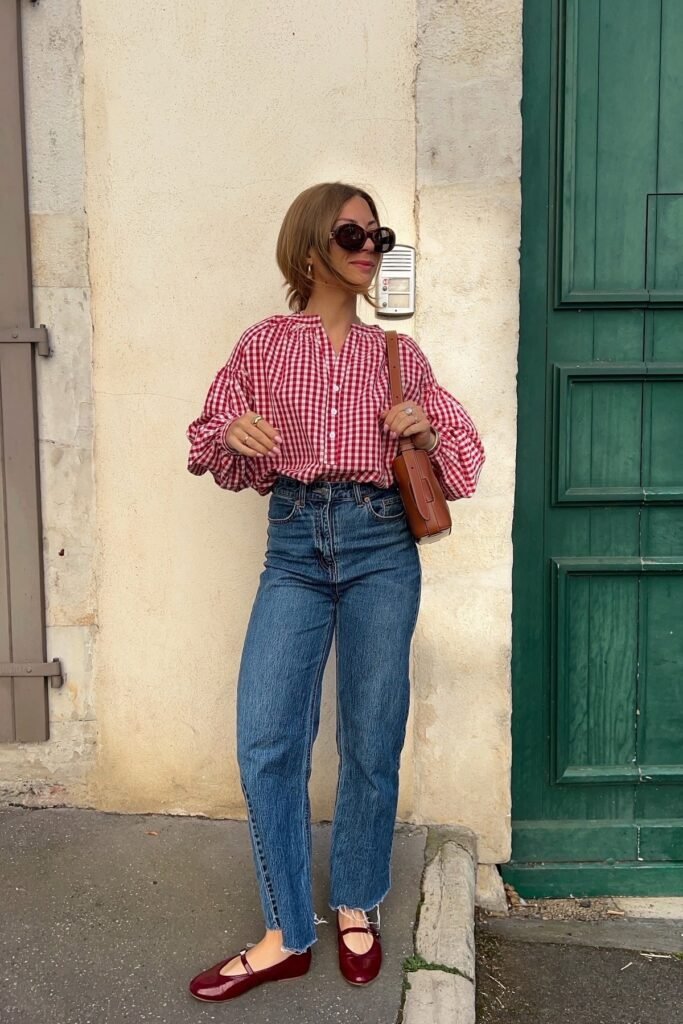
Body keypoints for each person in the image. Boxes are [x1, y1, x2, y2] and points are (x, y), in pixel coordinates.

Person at [185, 182, 485, 1002]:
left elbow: (463, 456)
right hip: (292, 544)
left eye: (377, 234)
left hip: (380, 543)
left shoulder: (398, 354)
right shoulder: (262, 346)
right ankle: (287, 931)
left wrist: (424, 428)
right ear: (311, 245)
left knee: (371, 732)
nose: (368, 245)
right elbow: (211, 445)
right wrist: (231, 436)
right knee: (267, 737)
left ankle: (355, 899)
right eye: (352, 232)